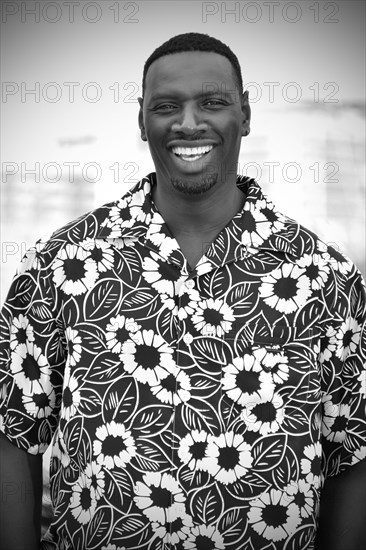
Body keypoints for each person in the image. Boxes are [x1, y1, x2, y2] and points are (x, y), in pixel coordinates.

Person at [0, 31, 365, 550]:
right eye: (166, 106)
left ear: (245, 113)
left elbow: (351, 455)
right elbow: (13, 438)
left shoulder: (326, 277)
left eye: (212, 103)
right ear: (142, 121)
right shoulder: (60, 264)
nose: (188, 123)